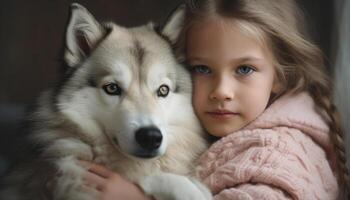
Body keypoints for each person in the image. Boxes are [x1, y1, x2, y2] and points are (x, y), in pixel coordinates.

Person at [76, 0, 350, 199]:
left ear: (279, 74)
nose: (221, 90)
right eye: (202, 69)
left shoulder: (272, 155)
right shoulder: (237, 135)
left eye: (244, 69)